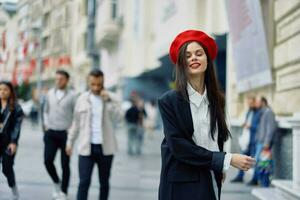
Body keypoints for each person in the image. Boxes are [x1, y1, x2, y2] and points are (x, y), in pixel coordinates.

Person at [157, 30, 255, 200]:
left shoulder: (218, 99)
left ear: (207, 60)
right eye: (187, 56)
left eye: (198, 53)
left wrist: (220, 167)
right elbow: (179, 147)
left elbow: (218, 137)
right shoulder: (169, 101)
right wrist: (227, 159)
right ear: (181, 63)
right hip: (181, 181)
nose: (193, 58)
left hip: (210, 175)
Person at [66, 69, 123, 200]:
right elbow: (76, 123)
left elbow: (119, 118)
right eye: (93, 84)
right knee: (84, 182)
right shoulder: (81, 99)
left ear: (103, 82)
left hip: (106, 148)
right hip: (86, 148)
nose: (96, 87)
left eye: (99, 84)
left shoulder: (112, 98)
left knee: (104, 183)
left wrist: (108, 101)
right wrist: (69, 142)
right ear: (88, 82)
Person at [43, 70, 77, 200]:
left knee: (65, 164)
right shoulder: (50, 93)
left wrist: (71, 133)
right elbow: (45, 111)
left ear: (67, 80)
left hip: (65, 134)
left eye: (61, 79)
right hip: (51, 132)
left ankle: (64, 191)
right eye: (56, 78)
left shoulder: (73, 96)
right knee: (47, 161)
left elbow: (76, 116)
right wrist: (46, 126)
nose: (58, 81)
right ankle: (57, 182)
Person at [0, 81, 24, 200]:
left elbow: (17, 126)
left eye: (5, 89)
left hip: (8, 142)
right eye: (0, 89)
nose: (2, 92)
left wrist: (13, 142)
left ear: (10, 92)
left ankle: (13, 187)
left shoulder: (16, 108)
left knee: (6, 167)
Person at [248, 96, 277, 186]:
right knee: (261, 163)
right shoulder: (262, 112)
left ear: (263, 102)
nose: (256, 104)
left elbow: (271, 129)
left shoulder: (268, 112)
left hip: (264, 143)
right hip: (260, 142)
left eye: (257, 102)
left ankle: (265, 184)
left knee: (263, 164)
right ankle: (260, 182)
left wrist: (267, 143)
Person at [231, 96, 256, 183]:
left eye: (251, 102)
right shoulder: (248, 112)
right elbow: (243, 121)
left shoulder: (257, 112)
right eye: (248, 102)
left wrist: (251, 126)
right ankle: (240, 176)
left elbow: (259, 126)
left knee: (254, 159)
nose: (249, 104)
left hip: (254, 140)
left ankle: (254, 179)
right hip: (247, 139)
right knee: (243, 158)